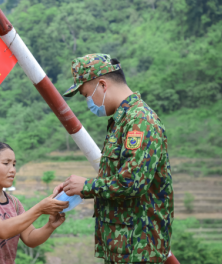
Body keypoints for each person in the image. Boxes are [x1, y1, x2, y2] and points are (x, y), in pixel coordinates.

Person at [54, 54, 175, 263]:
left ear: (102, 84)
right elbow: (117, 178)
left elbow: (131, 182)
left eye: (86, 95)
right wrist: (75, 190)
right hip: (124, 247)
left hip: (140, 249)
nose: (88, 102)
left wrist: (87, 186)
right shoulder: (122, 121)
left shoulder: (139, 121)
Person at [0, 141, 69, 264]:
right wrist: (40, 209)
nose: (13, 170)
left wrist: (50, 226)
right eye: (6, 163)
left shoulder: (14, 203)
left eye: (14, 164)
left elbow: (30, 238)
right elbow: (2, 230)